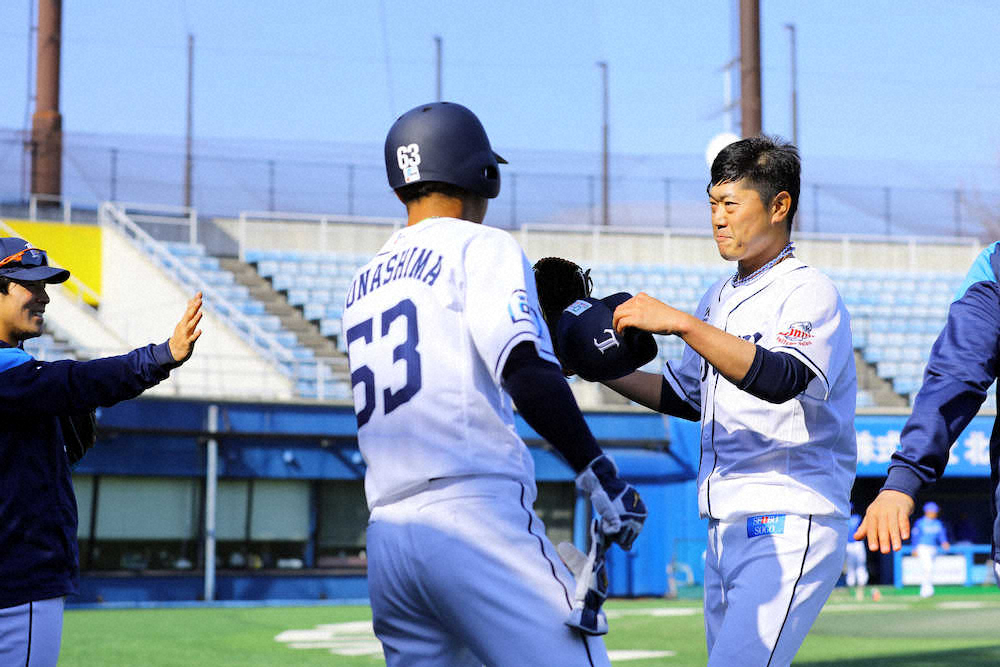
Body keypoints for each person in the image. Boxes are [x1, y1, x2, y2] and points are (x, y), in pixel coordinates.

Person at [342, 101, 646, 666]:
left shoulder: (362, 282)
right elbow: (523, 368)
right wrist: (596, 468)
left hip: (387, 538)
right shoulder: (480, 246)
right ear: (480, 173)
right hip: (472, 516)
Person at [591, 136, 857, 666]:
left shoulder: (809, 291)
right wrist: (599, 368)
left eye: (731, 204)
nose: (718, 218)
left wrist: (683, 325)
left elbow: (782, 377)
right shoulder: (718, 296)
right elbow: (684, 395)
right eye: (713, 203)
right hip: (724, 523)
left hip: (788, 513)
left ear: (780, 205)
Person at [0, 237, 203, 667]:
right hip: (19, 583)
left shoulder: (23, 382)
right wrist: (162, 356)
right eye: (29, 285)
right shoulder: (16, 378)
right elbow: (79, 381)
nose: (44, 296)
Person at [854, 241, 998, 569]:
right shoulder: (995, 265)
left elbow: (957, 376)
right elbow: (958, 375)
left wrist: (905, 477)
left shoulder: (995, 263)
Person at [910, 501, 950, 598]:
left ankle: (928, 589)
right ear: (927, 511)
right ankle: (926, 591)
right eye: (933, 511)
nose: (935, 513)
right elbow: (915, 536)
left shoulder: (938, 523)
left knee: (930, 569)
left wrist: (944, 542)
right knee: (927, 568)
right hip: (922, 547)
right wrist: (914, 548)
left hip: (933, 548)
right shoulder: (920, 522)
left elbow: (941, 535)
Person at [845, 507, 870, 600]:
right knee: (851, 568)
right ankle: (853, 592)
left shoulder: (857, 518)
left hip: (857, 543)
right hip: (850, 545)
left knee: (859, 567)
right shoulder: (846, 519)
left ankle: (860, 592)